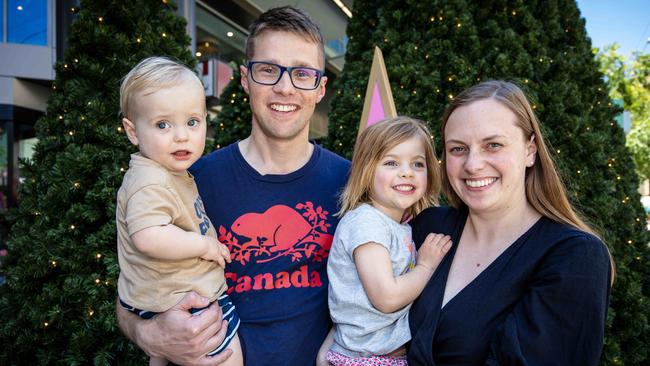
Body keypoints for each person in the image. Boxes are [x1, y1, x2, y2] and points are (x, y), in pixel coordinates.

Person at [116, 6, 350, 366]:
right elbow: (135, 280)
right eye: (268, 70)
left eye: (302, 73)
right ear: (245, 78)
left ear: (320, 88)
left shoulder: (351, 183)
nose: (284, 87)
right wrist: (149, 334)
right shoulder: (194, 180)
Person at [407, 80, 612, 365]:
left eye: (493, 145)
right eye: (458, 149)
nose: (473, 164)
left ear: (530, 150)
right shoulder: (426, 228)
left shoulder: (575, 257)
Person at [116, 56, 243, 366]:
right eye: (163, 124)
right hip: (185, 299)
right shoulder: (150, 180)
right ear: (132, 132)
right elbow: (148, 236)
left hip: (169, 296)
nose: (181, 135)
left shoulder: (171, 172)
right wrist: (204, 245)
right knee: (229, 358)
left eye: (192, 122)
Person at [324, 117, 451, 366]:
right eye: (391, 163)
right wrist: (426, 265)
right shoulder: (366, 222)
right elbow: (386, 298)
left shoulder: (399, 225)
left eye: (417, 164)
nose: (406, 172)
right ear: (367, 170)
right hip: (365, 359)